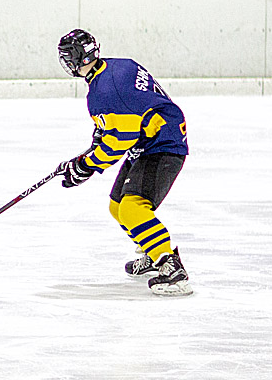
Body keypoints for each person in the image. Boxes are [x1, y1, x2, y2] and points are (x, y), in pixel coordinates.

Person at [55, 29, 192, 297]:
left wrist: (86, 166)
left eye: (67, 57)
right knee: (117, 206)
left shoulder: (106, 91)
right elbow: (117, 127)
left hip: (163, 145)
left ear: (78, 59)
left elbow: (119, 141)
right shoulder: (117, 66)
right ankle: (153, 255)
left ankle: (171, 267)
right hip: (150, 140)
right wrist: (86, 157)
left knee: (132, 209)